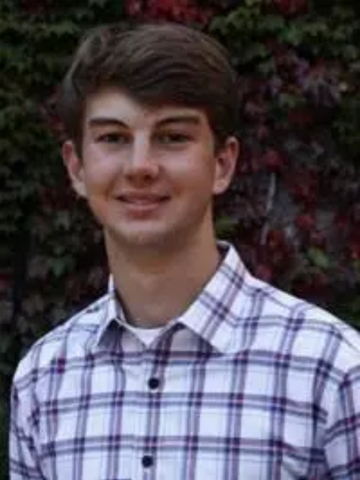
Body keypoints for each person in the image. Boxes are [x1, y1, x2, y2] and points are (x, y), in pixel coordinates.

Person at [9, 22, 360, 480]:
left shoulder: (333, 371)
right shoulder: (42, 379)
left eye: (172, 136)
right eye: (113, 138)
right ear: (77, 168)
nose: (140, 167)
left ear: (222, 164)